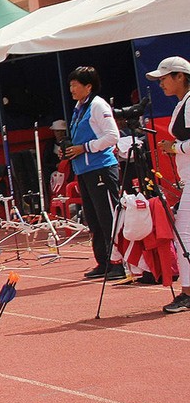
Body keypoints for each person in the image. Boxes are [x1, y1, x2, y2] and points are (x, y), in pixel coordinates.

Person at [64, 66, 123, 280]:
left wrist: (85, 147)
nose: (71, 88)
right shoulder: (79, 107)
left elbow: (112, 136)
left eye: (75, 84)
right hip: (84, 170)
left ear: (88, 86)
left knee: (108, 216)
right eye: (70, 84)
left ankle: (119, 262)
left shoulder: (98, 105)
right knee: (93, 218)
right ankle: (104, 261)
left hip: (101, 168)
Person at [147, 56, 190, 314]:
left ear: (180, 77)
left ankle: (187, 292)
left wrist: (174, 147)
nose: (161, 83)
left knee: (183, 233)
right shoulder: (182, 104)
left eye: (164, 78)